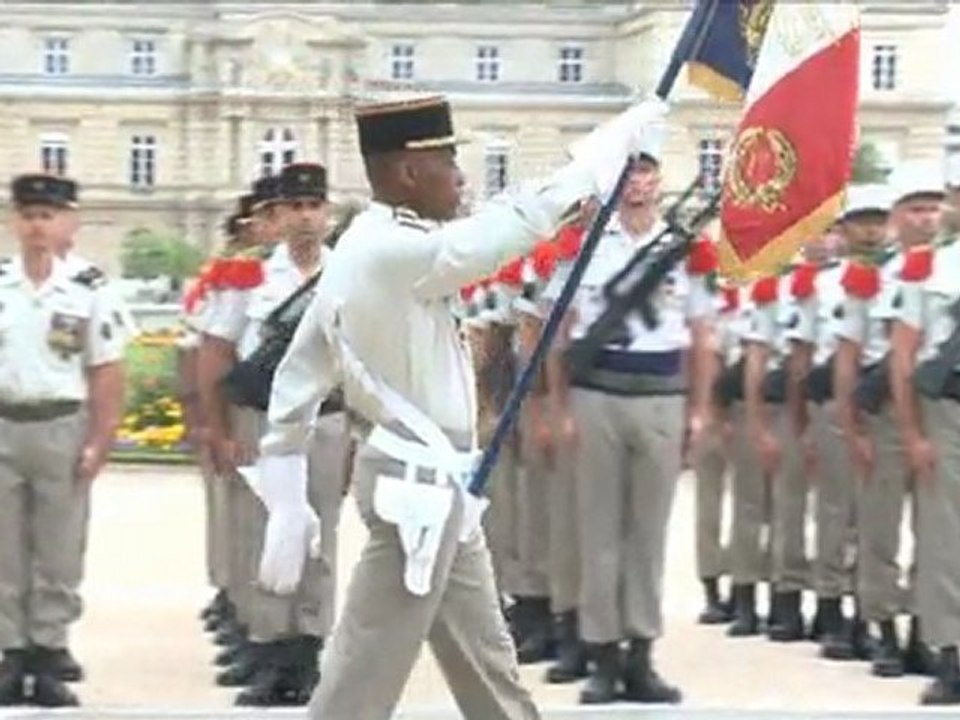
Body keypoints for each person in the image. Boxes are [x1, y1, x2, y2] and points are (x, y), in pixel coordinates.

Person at [254, 93, 663, 720]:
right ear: (408, 172)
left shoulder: (369, 242)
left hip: (438, 484)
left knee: (486, 661)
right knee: (362, 675)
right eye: (447, 161)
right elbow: (504, 232)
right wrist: (592, 164)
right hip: (415, 491)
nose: (460, 175)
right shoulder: (391, 251)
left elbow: (300, 368)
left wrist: (284, 477)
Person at [543, 149, 717, 705]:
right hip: (597, 395)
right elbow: (559, 332)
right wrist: (560, 408)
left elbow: (702, 334)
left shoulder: (685, 250)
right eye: (627, 173)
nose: (637, 183)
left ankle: (641, 654)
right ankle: (602, 655)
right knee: (598, 531)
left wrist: (700, 410)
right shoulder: (585, 247)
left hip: (662, 396)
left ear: (659, 182)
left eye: (645, 173)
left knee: (648, 534)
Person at [0, 174, 126, 707]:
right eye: (28, 215)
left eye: (46, 216)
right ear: (15, 222)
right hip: (4, 423)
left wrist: (100, 439)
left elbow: (106, 369)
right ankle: (10, 651)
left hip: (61, 427)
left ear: (64, 222)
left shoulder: (88, 288)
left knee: (59, 547)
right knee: (5, 548)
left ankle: (48, 649)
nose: (37, 226)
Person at [887, 162, 956, 704]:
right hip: (949, 411)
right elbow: (903, 356)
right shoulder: (928, 268)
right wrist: (912, 432)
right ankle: (952, 653)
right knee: (946, 536)